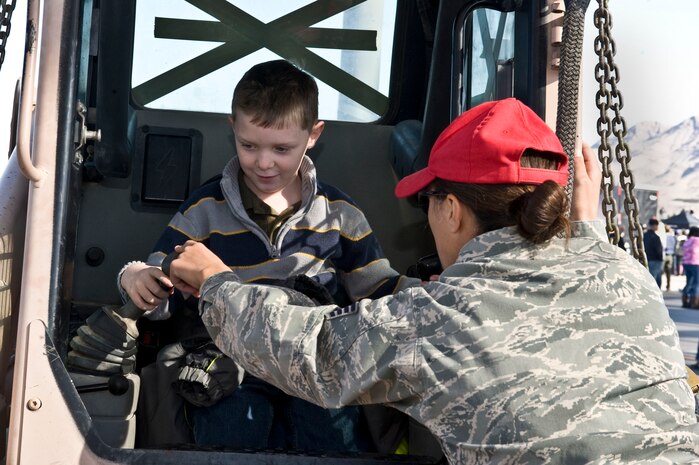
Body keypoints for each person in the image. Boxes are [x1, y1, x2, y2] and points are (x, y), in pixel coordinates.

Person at [166, 98, 699, 464]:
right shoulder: (627, 274)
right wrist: (584, 231)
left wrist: (216, 282)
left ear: (450, 210)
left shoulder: (439, 320)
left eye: (428, 201)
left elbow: (312, 352)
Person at [118, 60, 415, 452]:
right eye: (249, 145)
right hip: (228, 361)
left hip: (313, 362)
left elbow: (378, 288)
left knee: (333, 436)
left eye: (281, 148)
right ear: (233, 130)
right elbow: (162, 277)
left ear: (313, 135)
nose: (263, 162)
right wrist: (135, 276)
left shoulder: (340, 215)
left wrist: (423, 292)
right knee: (228, 432)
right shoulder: (204, 210)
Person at [643, 218, 664, 287]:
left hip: (647, 259)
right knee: (655, 280)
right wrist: (660, 258)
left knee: (649, 278)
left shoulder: (644, 236)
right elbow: (658, 250)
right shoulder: (655, 237)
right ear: (654, 225)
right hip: (655, 260)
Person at [682, 227, 699, 308]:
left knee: (688, 283)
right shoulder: (697, 240)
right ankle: (694, 303)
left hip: (686, 263)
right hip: (695, 263)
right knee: (696, 283)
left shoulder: (687, 241)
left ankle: (684, 301)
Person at [664, 225, 677, 291]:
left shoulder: (663, 236)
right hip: (670, 254)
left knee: (661, 271)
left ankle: (664, 285)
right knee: (668, 272)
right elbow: (674, 246)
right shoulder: (672, 237)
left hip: (664, 254)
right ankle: (668, 286)